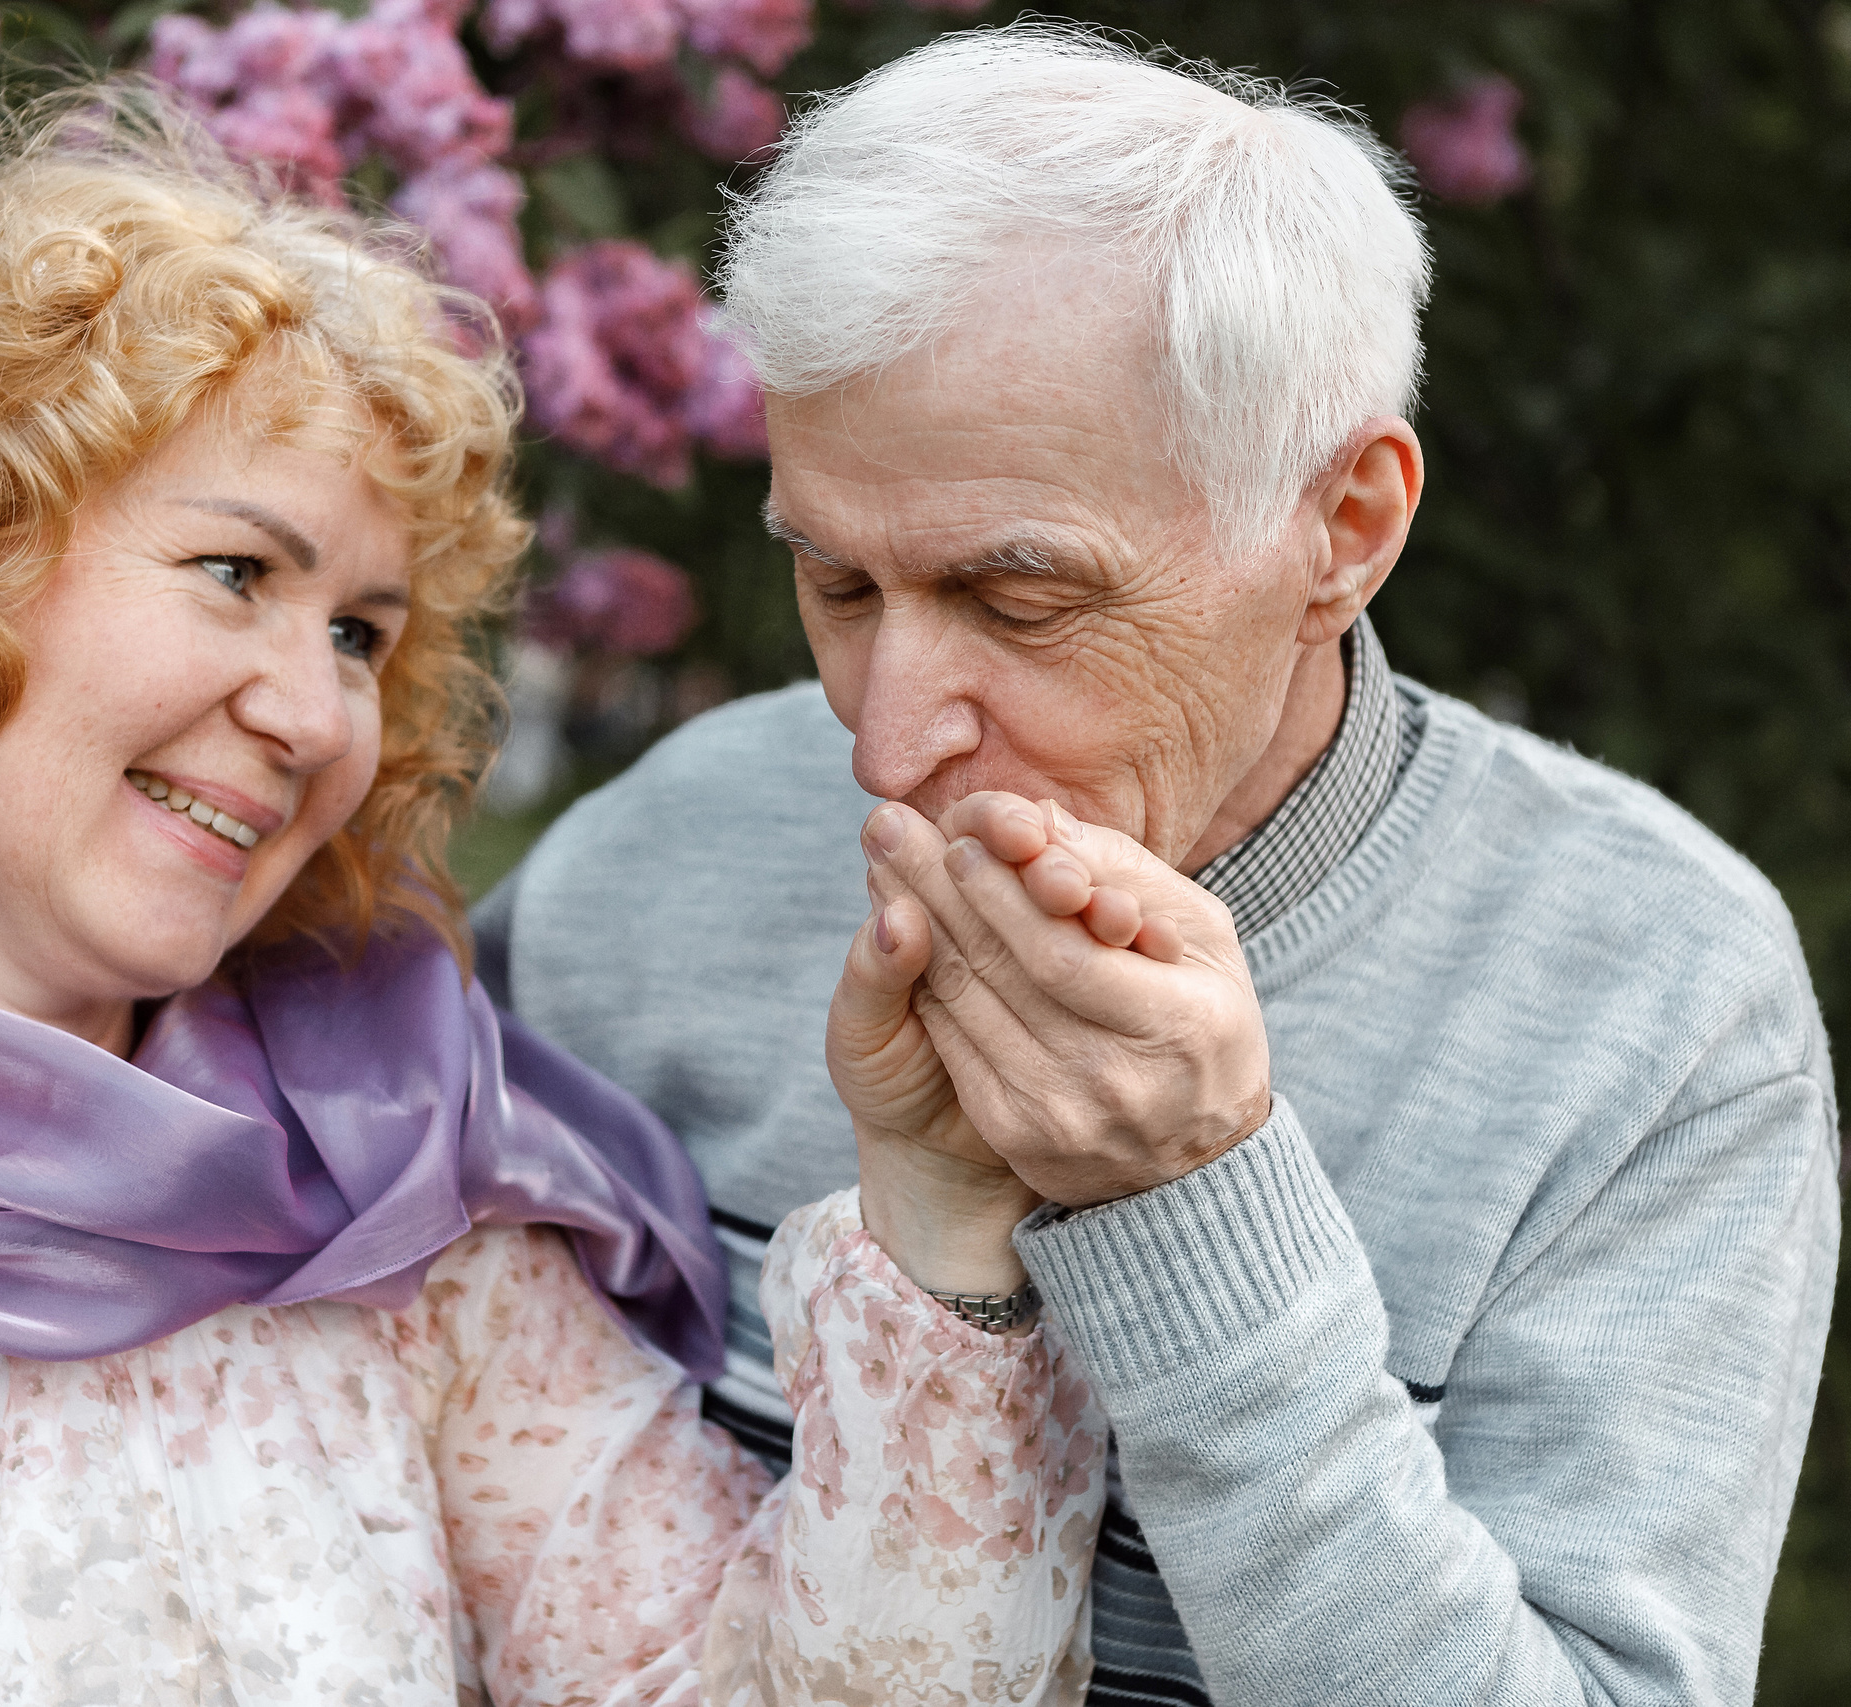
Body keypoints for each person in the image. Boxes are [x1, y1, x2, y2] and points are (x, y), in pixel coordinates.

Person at [0, 93, 1108, 1705]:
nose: (315, 715)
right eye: (237, 571)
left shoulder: (403, 1221)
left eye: (362, 634)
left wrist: (944, 1217)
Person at [478, 23, 1841, 1707]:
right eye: (836, 586)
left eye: (1021, 601)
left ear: (1343, 529)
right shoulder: (657, 857)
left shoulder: (1657, 1004)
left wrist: (1195, 1212)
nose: (887, 745)